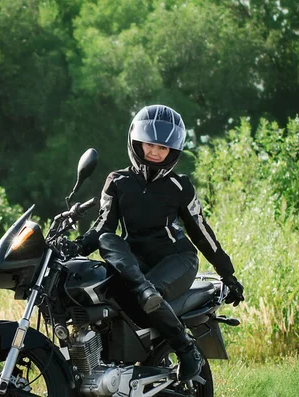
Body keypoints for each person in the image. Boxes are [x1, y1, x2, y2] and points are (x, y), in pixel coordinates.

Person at [75, 104, 245, 382]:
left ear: (172, 152)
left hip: (177, 260)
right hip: (135, 265)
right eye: (150, 144)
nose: (154, 152)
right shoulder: (117, 181)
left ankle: (187, 349)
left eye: (162, 148)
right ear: (136, 142)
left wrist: (228, 273)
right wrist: (76, 247)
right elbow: (102, 228)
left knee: (148, 295)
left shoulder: (180, 186)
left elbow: (202, 232)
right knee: (109, 240)